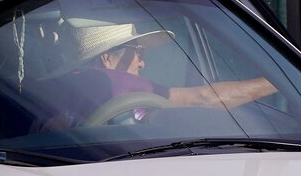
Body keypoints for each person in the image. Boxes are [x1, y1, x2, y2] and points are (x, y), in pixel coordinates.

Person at [36, 18, 280, 129]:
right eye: (138, 52)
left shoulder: (57, 86)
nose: (141, 64)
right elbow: (205, 99)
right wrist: (282, 80)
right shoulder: (115, 80)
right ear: (107, 57)